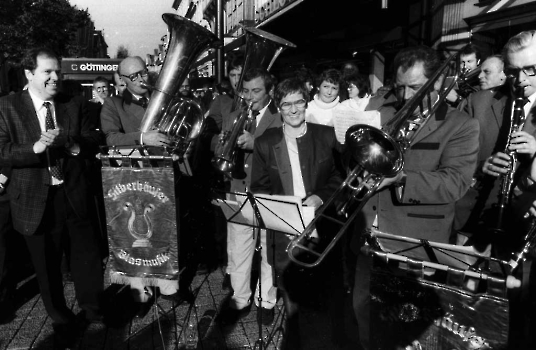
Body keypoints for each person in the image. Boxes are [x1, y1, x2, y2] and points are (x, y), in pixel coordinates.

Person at [353, 45, 480, 350]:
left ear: (437, 82)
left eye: (415, 86)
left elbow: (455, 183)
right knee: (363, 315)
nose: (407, 96)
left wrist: (403, 178)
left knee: (406, 328)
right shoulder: (381, 114)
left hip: (415, 240)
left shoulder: (460, 125)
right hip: (369, 230)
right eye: (401, 87)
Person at [0, 47, 105, 347]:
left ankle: (93, 310)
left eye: (57, 71)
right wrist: (33, 149)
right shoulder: (7, 107)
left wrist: (70, 144)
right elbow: (1, 150)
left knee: (87, 256)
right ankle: (61, 318)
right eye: (47, 72)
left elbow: (94, 138)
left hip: (72, 193)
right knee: (46, 266)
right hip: (34, 198)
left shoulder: (74, 103)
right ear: (29, 74)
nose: (55, 77)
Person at [250, 77, 343, 349]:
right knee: (292, 299)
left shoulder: (325, 136)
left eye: (298, 102)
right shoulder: (266, 142)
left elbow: (339, 177)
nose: (293, 109)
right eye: (286, 104)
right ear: (278, 107)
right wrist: (283, 208)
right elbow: (258, 188)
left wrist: (321, 196)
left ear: (307, 101)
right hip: (286, 231)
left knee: (322, 297)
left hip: (321, 227)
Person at [100, 56, 190, 309]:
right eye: (134, 76)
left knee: (168, 230)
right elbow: (111, 138)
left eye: (143, 73)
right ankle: (140, 293)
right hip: (133, 177)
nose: (141, 79)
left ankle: (169, 287)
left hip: (165, 173)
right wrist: (142, 138)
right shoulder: (113, 103)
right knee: (136, 235)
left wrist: (178, 143)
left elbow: (178, 132)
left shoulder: (162, 100)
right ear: (123, 81)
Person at [216, 68, 281, 325]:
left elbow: (284, 151)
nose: (250, 97)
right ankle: (239, 298)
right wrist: (222, 143)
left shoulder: (279, 116)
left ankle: (266, 300)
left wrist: (256, 143)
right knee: (239, 247)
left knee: (268, 248)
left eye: (256, 91)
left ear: (270, 92)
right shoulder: (234, 114)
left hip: (269, 191)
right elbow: (221, 149)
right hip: (239, 187)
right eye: (245, 91)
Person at [205, 55, 244, 290]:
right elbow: (208, 130)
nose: (237, 79)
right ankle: (231, 270)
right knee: (233, 223)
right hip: (229, 169)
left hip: (251, 167)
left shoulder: (253, 98)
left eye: (241, 74)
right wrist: (218, 142)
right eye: (233, 75)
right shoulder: (221, 100)